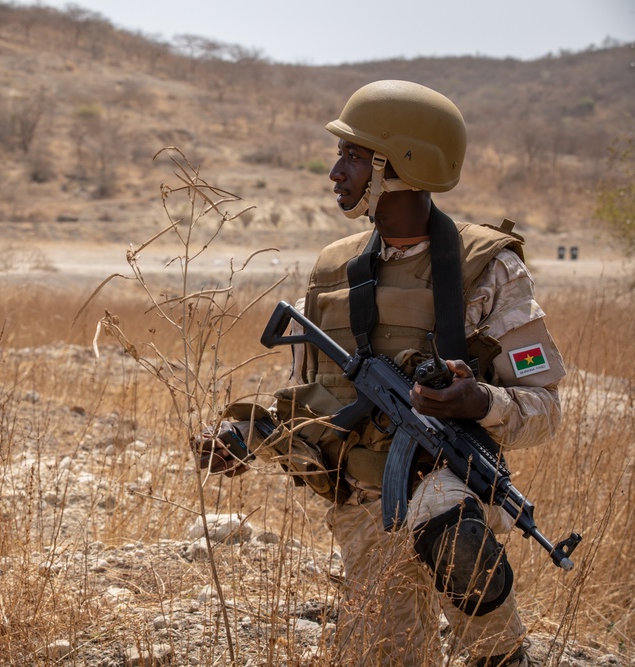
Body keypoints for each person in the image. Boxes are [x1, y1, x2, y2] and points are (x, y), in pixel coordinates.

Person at [197, 80, 565, 666]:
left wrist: (477, 403)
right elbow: (311, 400)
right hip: (361, 503)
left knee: (449, 523)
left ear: (398, 166)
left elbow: (545, 412)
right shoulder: (333, 269)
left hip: (450, 485)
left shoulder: (487, 269)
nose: (335, 171)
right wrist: (243, 439)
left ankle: (502, 656)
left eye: (352, 156)